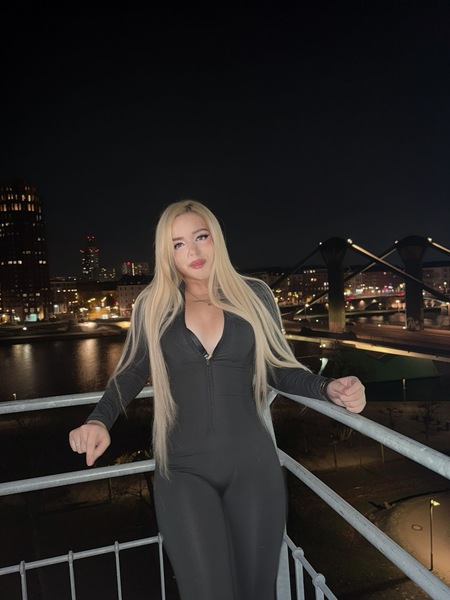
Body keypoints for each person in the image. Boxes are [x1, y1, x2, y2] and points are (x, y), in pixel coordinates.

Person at [69, 199, 366, 600]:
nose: (192, 251)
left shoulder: (254, 295)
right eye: (178, 244)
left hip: (254, 470)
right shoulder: (153, 305)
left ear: (216, 238)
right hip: (183, 474)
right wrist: (98, 420)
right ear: (166, 253)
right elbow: (132, 372)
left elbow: (278, 368)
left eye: (200, 237)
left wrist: (328, 388)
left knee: (257, 593)